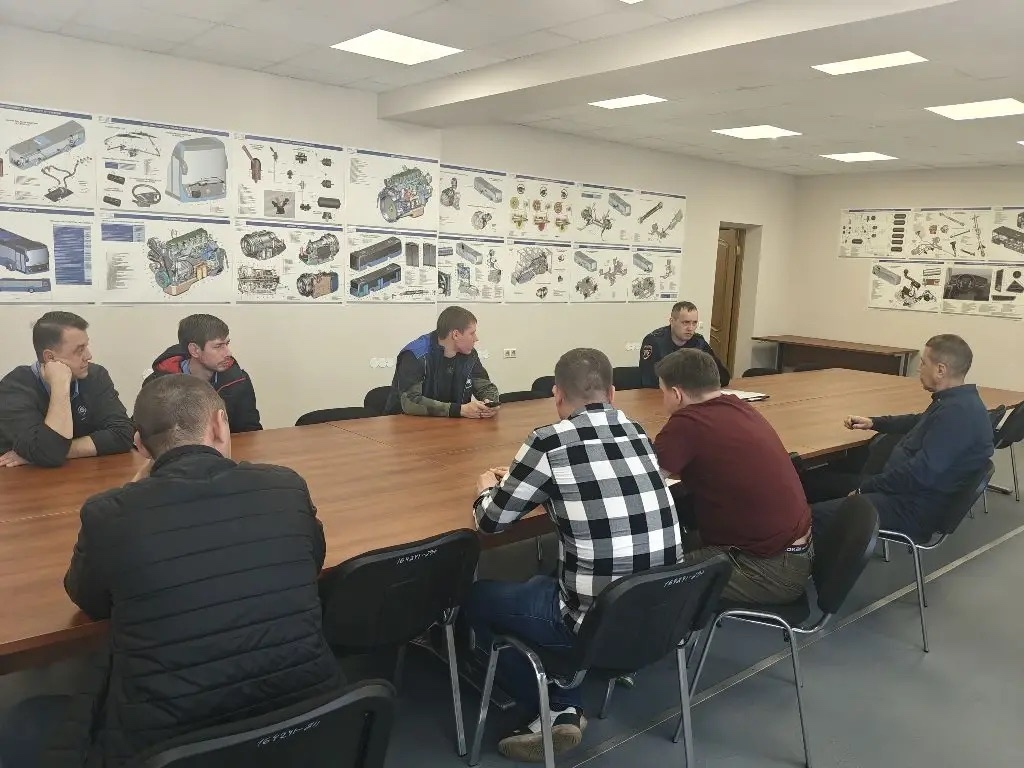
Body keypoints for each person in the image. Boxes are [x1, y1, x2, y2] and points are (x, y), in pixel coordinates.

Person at [0, 375, 342, 768]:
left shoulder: (109, 514)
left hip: (169, 748)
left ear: (140, 444)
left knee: (26, 719)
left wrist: (131, 493)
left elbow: (91, 601)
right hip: (311, 726)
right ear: (220, 423)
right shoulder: (286, 487)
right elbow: (311, 561)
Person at [465, 348, 681, 762]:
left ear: (557, 395)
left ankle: (557, 704)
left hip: (593, 625)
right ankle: (564, 689)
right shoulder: (637, 431)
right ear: (612, 394)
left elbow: (490, 522)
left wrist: (486, 489)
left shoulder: (548, 441)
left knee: (477, 598)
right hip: (663, 616)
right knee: (548, 575)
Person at [654, 348, 813, 603]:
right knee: (679, 540)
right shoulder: (738, 406)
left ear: (676, 393)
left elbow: (643, 484)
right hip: (794, 552)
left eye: (662, 392)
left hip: (766, 570)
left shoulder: (687, 423)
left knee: (646, 578)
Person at [809, 334, 993, 542]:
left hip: (911, 507)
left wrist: (864, 489)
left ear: (940, 370)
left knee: (811, 517)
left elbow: (919, 473)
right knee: (813, 482)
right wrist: (874, 422)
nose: (919, 369)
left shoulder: (957, 415)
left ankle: (802, 550)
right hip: (901, 490)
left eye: (923, 363)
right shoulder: (958, 402)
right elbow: (918, 421)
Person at [0, 311, 133, 468]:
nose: (88, 356)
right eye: (79, 350)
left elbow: (123, 434)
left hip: (83, 474)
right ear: (50, 358)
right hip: (25, 479)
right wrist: (59, 385)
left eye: (86, 346)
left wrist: (44, 454)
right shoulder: (14, 388)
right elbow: (50, 454)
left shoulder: (96, 375)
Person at [144, 313, 262, 432]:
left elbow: (250, 431)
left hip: (226, 444)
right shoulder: (157, 384)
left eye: (227, 344)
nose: (228, 353)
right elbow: (145, 432)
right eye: (218, 346)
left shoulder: (238, 380)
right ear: (195, 350)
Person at [385, 305, 500, 418]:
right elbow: (411, 402)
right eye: (472, 333)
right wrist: (458, 410)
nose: (476, 338)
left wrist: (490, 403)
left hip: (452, 423)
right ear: (455, 334)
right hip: (406, 423)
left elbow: (485, 387)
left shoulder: (469, 355)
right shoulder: (415, 355)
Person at [639, 301, 730, 388]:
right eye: (686, 322)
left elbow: (721, 376)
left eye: (694, 323)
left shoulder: (699, 342)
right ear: (672, 321)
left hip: (692, 394)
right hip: (661, 395)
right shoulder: (654, 341)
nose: (690, 328)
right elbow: (649, 380)